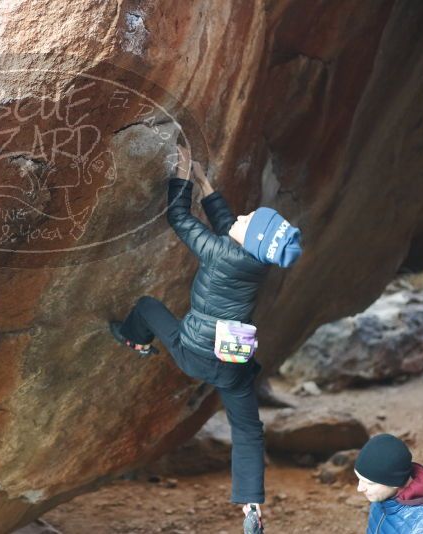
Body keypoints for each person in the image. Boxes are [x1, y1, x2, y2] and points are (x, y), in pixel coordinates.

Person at [109, 145, 303, 521]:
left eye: (248, 221)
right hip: (232, 362)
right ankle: (251, 504)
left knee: (148, 306)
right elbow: (228, 225)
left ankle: (133, 338)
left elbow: (180, 219)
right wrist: (205, 183)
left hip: (194, 352)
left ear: (251, 243)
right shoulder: (254, 262)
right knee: (247, 428)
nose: (242, 216)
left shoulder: (221, 254)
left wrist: (181, 175)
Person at [355, 433, 423, 533]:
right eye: (359, 479)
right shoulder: (381, 496)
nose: (359, 488)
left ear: (394, 482)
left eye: (369, 483)